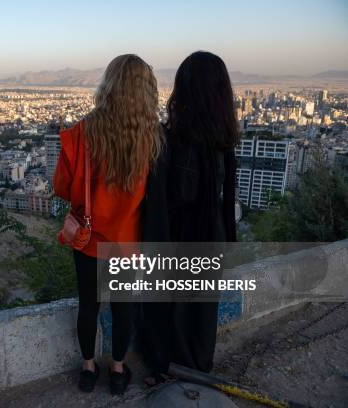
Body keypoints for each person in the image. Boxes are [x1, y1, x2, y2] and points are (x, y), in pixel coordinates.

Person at [53, 54, 163, 394]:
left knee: (89, 305)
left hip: (89, 241)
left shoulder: (80, 134)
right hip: (127, 243)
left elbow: (60, 188)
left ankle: (88, 369)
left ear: (108, 85)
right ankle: (117, 371)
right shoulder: (152, 139)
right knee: (123, 308)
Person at [138, 51, 239, 385]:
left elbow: (168, 198)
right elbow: (227, 196)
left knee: (172, 307)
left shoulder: (172, 138)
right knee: (200, 308)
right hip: (211, 235)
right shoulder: (224, 140)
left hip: (178, 233)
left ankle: (169, 368)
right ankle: (197, 367)